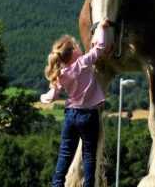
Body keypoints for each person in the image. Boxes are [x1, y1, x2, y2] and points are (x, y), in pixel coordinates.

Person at [41, 18, 110, 187]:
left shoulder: (61, 73)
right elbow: (100, 48)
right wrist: (101, 27)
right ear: (73, 52)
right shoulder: (82, 63)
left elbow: (53, 94)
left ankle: (57, 184)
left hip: (71, 115)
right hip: (89, 115)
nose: (80, 47)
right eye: (77, 46)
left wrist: (45, 97)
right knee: (88, 154)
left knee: (65, 153)